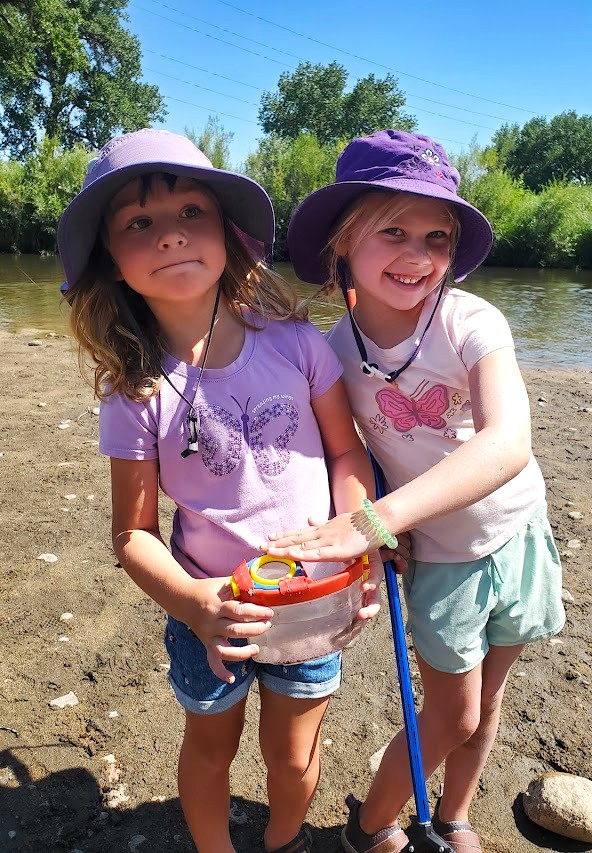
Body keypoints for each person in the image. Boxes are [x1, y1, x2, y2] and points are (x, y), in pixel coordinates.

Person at [57, 128, 382, 853]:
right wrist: (194, 604)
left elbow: (346, 454)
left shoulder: (295, 341)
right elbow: (132, 534)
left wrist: (364, 542)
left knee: (293, 754)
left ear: (228, 235)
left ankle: (283, 840)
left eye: (190, 213)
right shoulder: (134, 390)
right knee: (210, 748)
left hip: (314, 595)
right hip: (211, 606)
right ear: (112, 256)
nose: (169, 236)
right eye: (139, 223)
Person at [265, 129, 566, 853]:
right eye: (392, 231)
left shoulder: (472, 321)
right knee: (453, 712)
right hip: (442, 554)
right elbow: (353, 451)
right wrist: (374, 521)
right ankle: (369, 825)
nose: (418, 254)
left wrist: (375, 520)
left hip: (520, 526)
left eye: (437, 235)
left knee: (488, 700)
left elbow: (507, 441)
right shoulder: (332, 352)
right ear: (342, 245)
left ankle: (456, 812)